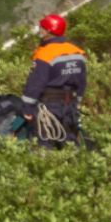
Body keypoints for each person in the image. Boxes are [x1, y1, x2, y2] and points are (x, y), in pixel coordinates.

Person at [21, 13, 87, 148]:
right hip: (70, 105)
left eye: (42, 28)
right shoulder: (77, 53)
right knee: (70, 141)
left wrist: (27, 108)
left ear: (48, 30)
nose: (40, 30)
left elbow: (35, 84)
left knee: (45, 142)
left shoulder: (45, 54)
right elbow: (82, 81)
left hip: (49, 106)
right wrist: (77, 101)